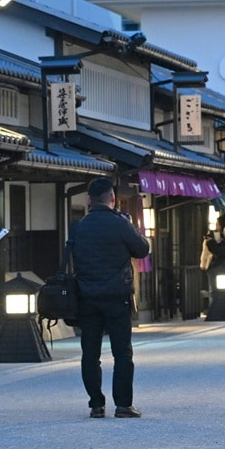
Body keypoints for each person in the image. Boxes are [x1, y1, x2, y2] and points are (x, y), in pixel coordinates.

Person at [69, 177, 151, 419]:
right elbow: (142, 249)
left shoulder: (79, 226)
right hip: (117, 296)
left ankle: (96, 404)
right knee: (122, 352)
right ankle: (123, 405)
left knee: (90, 353)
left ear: (88, 200)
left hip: (87, 296)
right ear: (113, 199)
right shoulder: (120, 224)